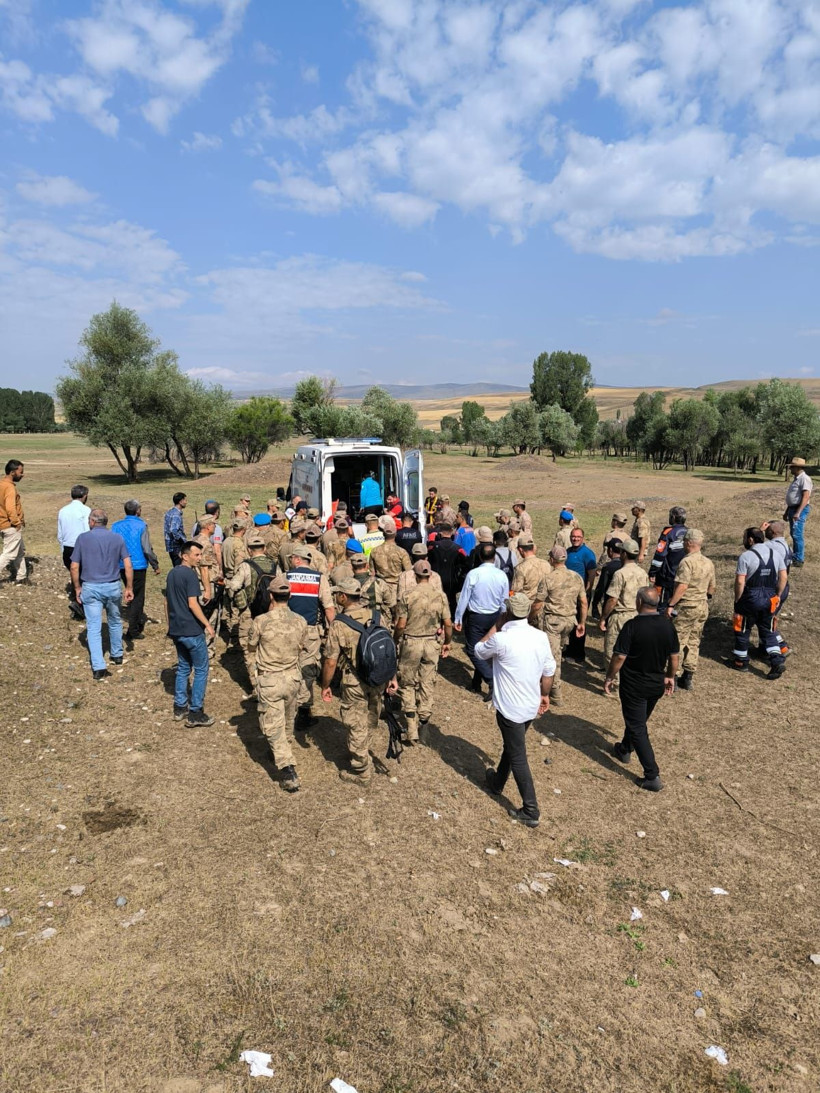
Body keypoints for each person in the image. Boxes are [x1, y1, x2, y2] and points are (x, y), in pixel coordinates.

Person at [476, 592, 555, 828]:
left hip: (510, 708)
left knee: (517, 754)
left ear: (508, 612)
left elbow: (479, 650)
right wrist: (545, 694)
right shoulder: (540, 637)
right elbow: (549, 670)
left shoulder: (502, 639)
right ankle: (497, 782)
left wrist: (496, 627)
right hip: (530, 704)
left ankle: (531, 809)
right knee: (513, 745)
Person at [321, 578, 399, 786]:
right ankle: (364, 752)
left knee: (355, 723)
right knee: (371, 717)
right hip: (379, 677)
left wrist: (325, 685)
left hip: (354, 681)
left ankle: (361, 770)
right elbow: (388, 650)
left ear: (344, 597)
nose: (337, 597)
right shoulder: (377, 616)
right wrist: (393, 677)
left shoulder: (339, 624)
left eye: (339, 594)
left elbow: (330, 661)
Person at [604, 586, 679, 792]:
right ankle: (625, 749)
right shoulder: (667, 625)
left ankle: (652, 775)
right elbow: (674, 657)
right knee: (638, 720)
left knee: (638, 727)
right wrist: (670, 676)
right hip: (656, 684)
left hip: (634, 685)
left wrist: (610, 676)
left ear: (639, 602)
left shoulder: (632, 626)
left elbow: (619, 656)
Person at [248, 575, 311, 793]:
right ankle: (283, 748)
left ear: (271, 595)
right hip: (292, 678)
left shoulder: (261, 621)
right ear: (290, 595)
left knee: (273, 725)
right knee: (288, 719)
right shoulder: (301, 621)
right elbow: (303, 648)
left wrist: (253, 676)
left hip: (270, 679)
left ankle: (287, 769)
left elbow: (250, 647)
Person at [70, 509, 134, 680]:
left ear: (92, 521)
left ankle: (98, 666)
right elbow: (128, 565)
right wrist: (129, 587)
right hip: (112, 586)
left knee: (94, 627)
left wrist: (77, 588)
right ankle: (117, 654)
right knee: (114, 620)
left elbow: (74, 566)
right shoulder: (117, 538)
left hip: (90, 586)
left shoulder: (83, 538)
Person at [394, 560, 452, 741]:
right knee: (427, 681)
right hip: (431, 643)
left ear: (415, 575)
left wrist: (395, 639)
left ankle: (411, 726)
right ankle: (424, 721)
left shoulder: (407, 595)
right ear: (430, 575)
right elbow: (448, 623)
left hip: (411, 642)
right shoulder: (440, 595)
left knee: (408, 682)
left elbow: (401, 624)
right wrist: (447, 642)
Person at [165, 540, 215, 726]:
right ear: (185, 556)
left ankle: (180, 707)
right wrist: (207, 624)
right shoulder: (190, 576)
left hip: (177, 629)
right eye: (197, 555)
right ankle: (195, 712)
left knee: (184, 667)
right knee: (201, 669)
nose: (199, 558)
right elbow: (193, 603)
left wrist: (170, 625)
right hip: (191, 630)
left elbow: (167, 602)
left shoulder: (171, 574)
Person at [287, 543, 336, 728]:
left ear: (298, 559)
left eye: (292, 558)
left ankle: (289, 705)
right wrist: (333, 629)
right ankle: (304, 711)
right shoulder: (319, 579)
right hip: (311, 630)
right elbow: (328, 607)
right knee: (308, 669)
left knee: (290, 666)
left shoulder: (286, 576)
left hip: (289, 629)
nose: (291, 560)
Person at [729, 527, 788, 679]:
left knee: (742, 629)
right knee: (768, 632)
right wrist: (778, 595)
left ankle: (741, 661)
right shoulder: (776, 554)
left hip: (750, 598)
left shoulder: (746, 556)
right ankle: (776, 660)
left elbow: (740, 582)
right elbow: (783, 577)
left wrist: (738, 599)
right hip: (770, 598)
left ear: (750, 539)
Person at [454, 543, 510, 699]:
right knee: (484, 649)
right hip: (495, 616)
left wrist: (458, 617)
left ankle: (491, 679)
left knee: (473, 650)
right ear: (494, 557)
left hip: (477, 616)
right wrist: (503, 619)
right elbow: (505, 600)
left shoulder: (474, 574)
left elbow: (464, 597)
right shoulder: (501, 575)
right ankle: (476, 682)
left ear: (480, 557)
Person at [533, 546, 587, 706]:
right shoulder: (577, 577)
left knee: (553, 657)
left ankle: (555, 693)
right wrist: (582, 622)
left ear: (552, 559)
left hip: (553, 622)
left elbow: (538, 604)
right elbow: (583, 602)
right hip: (569, 621)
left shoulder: (548, 578)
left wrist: (529, 617)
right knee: (558, 651)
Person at [665, 529, 716, 690]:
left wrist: (671, 604)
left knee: (677, 641)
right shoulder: (708, 562)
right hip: (702, 606)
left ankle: (673, 674)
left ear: (688, 543)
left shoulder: (686, 562)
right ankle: (688, 676)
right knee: (694, 641)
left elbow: (682, 586)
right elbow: (712, 587)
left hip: (686, 606)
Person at [598, 538, 650, 694]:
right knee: (632, 651)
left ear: (624, 554)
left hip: (620, 615)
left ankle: (613, 683)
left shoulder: (620, 574)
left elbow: (612, 599)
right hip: (637, 615)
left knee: (612, 651)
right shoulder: (643, 573)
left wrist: (603, 617)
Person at [226, 533, 276, 691]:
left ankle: (256, 685)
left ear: (249, 549)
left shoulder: (246, 566)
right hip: (271, 611)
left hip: (249, 612)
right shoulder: (274, 565)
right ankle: (270, 680)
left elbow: (234, 586)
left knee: (249, 648)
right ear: (265, 548)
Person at [111, 500, 160, 641]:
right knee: (138, 596)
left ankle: (133, 620)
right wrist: (155, 564)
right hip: (137, 565)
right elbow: (146, 548)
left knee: (128, 590)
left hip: (120, 564)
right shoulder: (141, 525)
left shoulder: (115, 526)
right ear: (137, 510)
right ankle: (133, 629)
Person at [564, 527, 596, 663]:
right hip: (568, 595)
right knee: (571, 622)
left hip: (580, 595)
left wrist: (587, 591)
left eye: (578, 536)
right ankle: (571, 648)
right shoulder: (568, 552)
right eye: (573, 536)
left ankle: (578, 654)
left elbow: (592, 574)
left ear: (583, 538)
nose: (575, 539)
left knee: (579, 623)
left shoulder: (587, 553)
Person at [57, 485, 90, 617]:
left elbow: (60, 534)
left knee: (74, 573)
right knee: (84, 577)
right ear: (85, 496)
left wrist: (63, 548)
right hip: (81, 547)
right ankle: (80, 605)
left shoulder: (63, 511)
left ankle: (77, 601)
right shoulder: (86, 510)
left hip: (67, 547)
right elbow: (87, 531)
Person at [369, 516, 411, 610]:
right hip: (398, 589)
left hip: (381, 588)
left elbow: (372, 574)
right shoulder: (402, 552)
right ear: (395, 534)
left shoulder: (374, 551)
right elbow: (408, 573)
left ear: (383, 534)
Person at [650, 506, 688, 607]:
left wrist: (653, 572)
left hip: (667, 577)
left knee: (662, 604)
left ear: (673, 517)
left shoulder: (667, 533)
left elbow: (660, 554)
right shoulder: (689, 532)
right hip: (684, 576)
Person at [428, 521, 467, 615]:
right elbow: (465, 563)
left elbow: (427, 556)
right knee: (451, 602)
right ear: (451, 533)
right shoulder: (458, 548)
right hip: (452, 580)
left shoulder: (433, 546)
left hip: (436, 579)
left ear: (440, 533)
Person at [0, 459, 27, 584]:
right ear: (12, 472)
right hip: (10, 525)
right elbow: (10, 508)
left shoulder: (1, 484)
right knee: (9, 554)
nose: (22, 474)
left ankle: (21, 577)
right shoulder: (9, 488)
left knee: (20, 551)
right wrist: (17, 523)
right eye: (20, 472)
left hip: (3, 523)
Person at [784, 457, 812, 566]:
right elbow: (793, 497)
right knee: (793, 533)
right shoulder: (797, 478)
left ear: (798, 467)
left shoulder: (804, 479)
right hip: (793, 508)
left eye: (792, 466)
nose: (790, 468)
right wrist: (787, 511)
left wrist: (798, 512)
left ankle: (799, 559)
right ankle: (796, 555)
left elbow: (806, 496)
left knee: (797, 534)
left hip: (798, 509)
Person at [511, 533, 549, 609]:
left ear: (520, 550)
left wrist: (509, 596)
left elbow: (515, 591)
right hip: (544, 606)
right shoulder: (546, 564)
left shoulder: (520, 568)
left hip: (527, 607)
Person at [590, 539, 623, 619]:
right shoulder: (626, 566)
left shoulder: (608, 567)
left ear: (610, 550)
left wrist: (594, 604)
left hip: (610, 604)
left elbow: (601, 588)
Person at [192, 514, 219, 602]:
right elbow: (204, 568)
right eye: (214, 524)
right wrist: (208, 591)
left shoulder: (194, 539)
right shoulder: (206, 544)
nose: (215, 526)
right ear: (208, 526)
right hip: (205, 584)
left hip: (195, 581)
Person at [192, 501, 224, 572]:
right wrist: (220, 569)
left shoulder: (197, 524)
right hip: (209, 566)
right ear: (217, 512)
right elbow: (217, 550)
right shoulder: (217, 528)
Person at [163, 492, 187, 567]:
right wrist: (181, 541)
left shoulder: (169, 512)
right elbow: (173, 529)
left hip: (170, 545)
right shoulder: (176, 514)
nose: (186, 502)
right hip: (177, 546)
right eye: (185, 500)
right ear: (180, 501)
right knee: (180, 568)